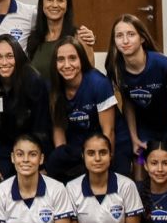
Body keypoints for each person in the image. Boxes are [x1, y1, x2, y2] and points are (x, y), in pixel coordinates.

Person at [48, 36, 130, 181]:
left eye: (72, 58)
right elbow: (58, 128)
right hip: (80, 145)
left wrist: (103, 162)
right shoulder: (54, 87)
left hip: (110, 144)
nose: (67, 65)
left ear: (81, 60)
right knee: (56, 161)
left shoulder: (98, 83)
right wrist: (63, 159)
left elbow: (108, 131)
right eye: (61, 59)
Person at [0, 35, 51, 182]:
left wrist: (41, 164)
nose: (4, 62)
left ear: (19, 57)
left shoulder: (34, 81)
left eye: (9, 56)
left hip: (28, 148)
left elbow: (41, 126)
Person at [106, 15, 167, 167]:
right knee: (140, 168)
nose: (125, 41)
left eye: (131, 34)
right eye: (119, 36)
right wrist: (134, 138)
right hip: (144, 130)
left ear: (142, 38)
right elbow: (127, 104)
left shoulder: (163, 64)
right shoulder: (115, 68)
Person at [26, 0, 96, 81]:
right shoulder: (34, 39)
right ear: (42, 3)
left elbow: (90, 78)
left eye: (60, 0)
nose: (54, 5)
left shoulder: (80, 37)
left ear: (67, 5)